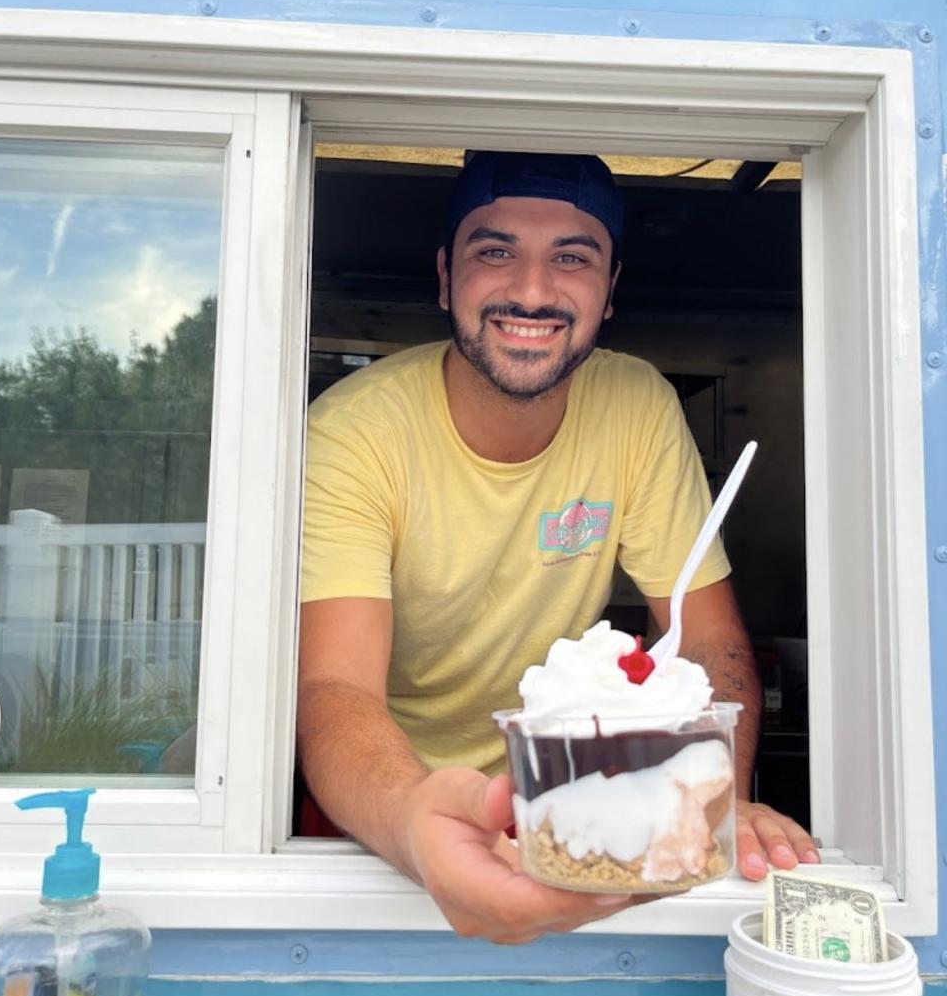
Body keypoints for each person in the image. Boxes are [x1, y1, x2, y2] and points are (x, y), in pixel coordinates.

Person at [296, 150, 819, 945]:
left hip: (582, 794)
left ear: (610, 290)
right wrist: (415, 817)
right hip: (387, 797)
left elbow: (710, 642)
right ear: (445, 276)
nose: (532, 291)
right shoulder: (353, 432)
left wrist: (718, 799)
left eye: (572, 257)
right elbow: (335, 690)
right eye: (494, 250)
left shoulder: (637, 404)